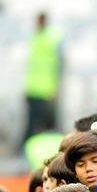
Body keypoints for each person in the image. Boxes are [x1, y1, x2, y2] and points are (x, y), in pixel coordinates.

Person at [24, 12, 63, 143]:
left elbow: (59, 66)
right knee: (32, 124)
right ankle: (27, 153)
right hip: (33, 89)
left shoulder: (53, 39)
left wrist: (56, 89)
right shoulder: (36, 38)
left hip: (47, 91)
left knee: (49, 126)